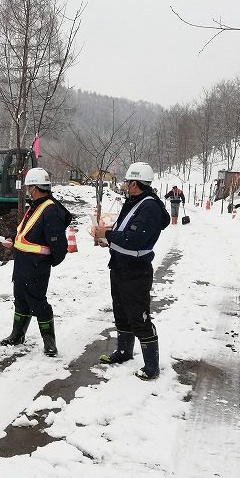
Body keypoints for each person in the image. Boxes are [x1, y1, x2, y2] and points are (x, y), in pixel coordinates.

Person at [96, 162, 170, 380]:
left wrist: (107, 235)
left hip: (136, 272)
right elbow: (123, 232)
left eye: (128, 182)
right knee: (121, 312)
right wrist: (107, 239)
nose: (125, 185)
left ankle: (151, 367)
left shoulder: (149, 207)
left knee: (139, 317)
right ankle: (124, 351)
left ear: (136, 183)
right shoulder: (134, 202)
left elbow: (133, 240)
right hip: (119, 267)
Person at [0, 167, 72, 356]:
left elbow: (58, 245)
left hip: (36, 267)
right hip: (23, 264)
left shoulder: (49, 210)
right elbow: (25, 232)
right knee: (21, 300)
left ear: (34, 187)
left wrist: (46, 262)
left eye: (29, 186)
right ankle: (17, 335)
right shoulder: (35, 207)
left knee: (38, 304)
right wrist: (12, 239)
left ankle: (49, 342)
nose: (27, 190)